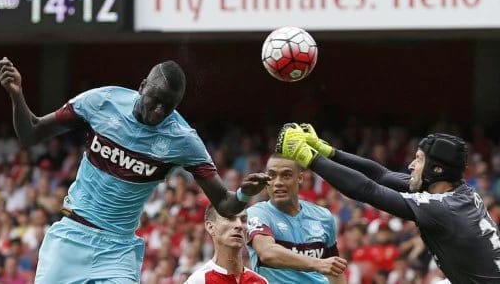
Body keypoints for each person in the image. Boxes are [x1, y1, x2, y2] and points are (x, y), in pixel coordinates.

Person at [0, 57, 270, 283]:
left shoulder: (182, 139)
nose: (160, 110)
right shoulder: (101, 102)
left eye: (169, 106)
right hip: (70, 238)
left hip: (118, 251)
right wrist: (17, 95)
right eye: (156, 100)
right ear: (142, 87)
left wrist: (244, 195)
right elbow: (31, 134)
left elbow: (224, 203)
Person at [276, 123, 500, 283]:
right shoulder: (456, 192)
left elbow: (367, 190)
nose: (411, 165)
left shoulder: (441, 208)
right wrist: (329, 152)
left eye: (419, 159)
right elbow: (381, 175)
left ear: (437, 169)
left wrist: (310, 158)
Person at [246, 153, 348, 284]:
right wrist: (317, 263)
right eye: (272, 176)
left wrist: (324, 265)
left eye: (286, 175)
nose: (278, 183)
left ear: (300, 178)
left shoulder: (323, 216)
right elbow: (267, 253)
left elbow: (334, 269)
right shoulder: (257, 213)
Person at [185, 205, 269, 283]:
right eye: (229, 218)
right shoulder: (199, 280)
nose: (239, 225)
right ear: (210, 227)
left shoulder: (260, 281)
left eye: (243, 220)